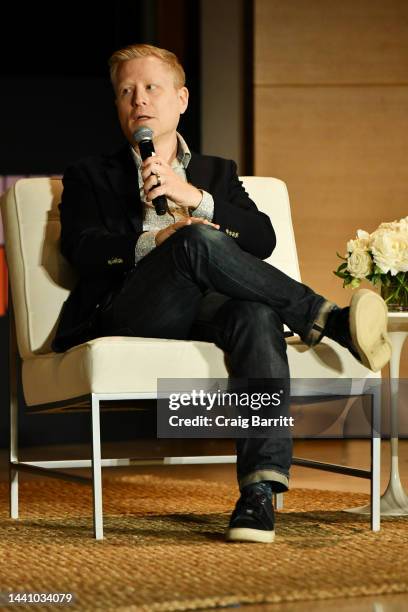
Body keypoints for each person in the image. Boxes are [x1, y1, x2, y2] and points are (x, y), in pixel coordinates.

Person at [52, 43, 391, 544]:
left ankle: (259, 493)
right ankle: (327, 319)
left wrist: (196, 198)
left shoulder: (217, 172)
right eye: (126, 92)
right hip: (132, 307)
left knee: (254, 313)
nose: (138, 101)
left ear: (181, 99)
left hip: (206, 309)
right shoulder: (90, 174)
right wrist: (154, 240)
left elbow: (262, 239)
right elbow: (81, 249)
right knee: (192, 239)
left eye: (151, 88)